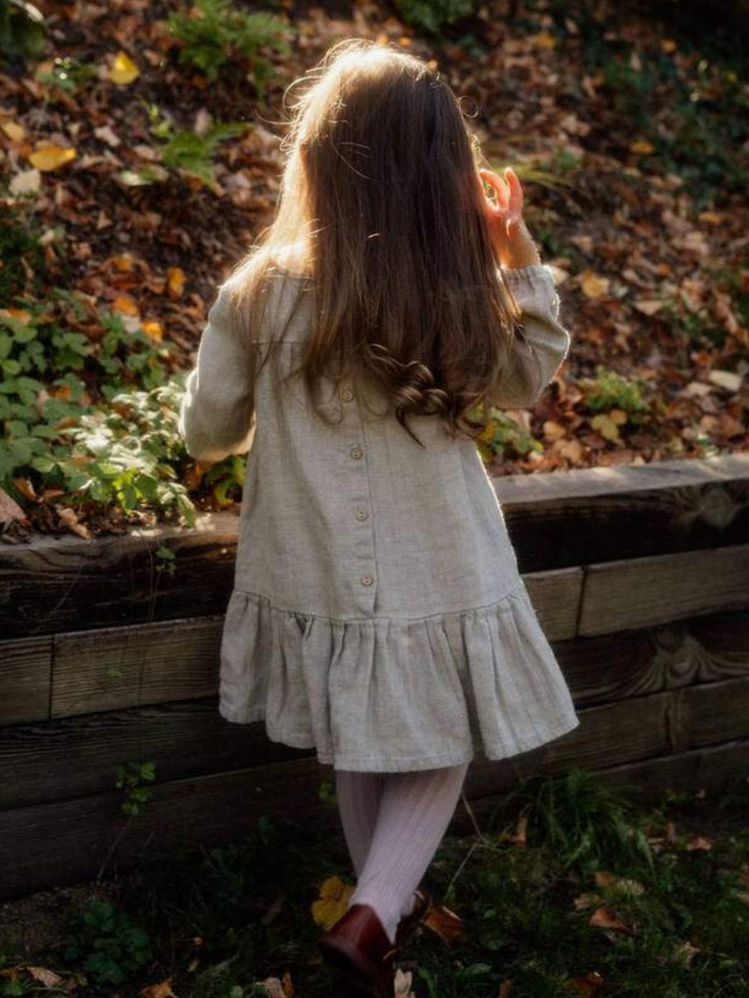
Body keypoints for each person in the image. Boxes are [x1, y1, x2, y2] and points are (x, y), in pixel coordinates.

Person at [179, 36, 580, 998]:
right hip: (443, 561)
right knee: (428, 737)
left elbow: (206, 433)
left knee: (368, 731)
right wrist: (515, 252)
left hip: (309, 561)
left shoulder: (257, 290)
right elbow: (530, 376)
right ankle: (371, 923)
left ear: (318, 159)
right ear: (436, 175)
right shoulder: (447, 291)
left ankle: (373, 927)